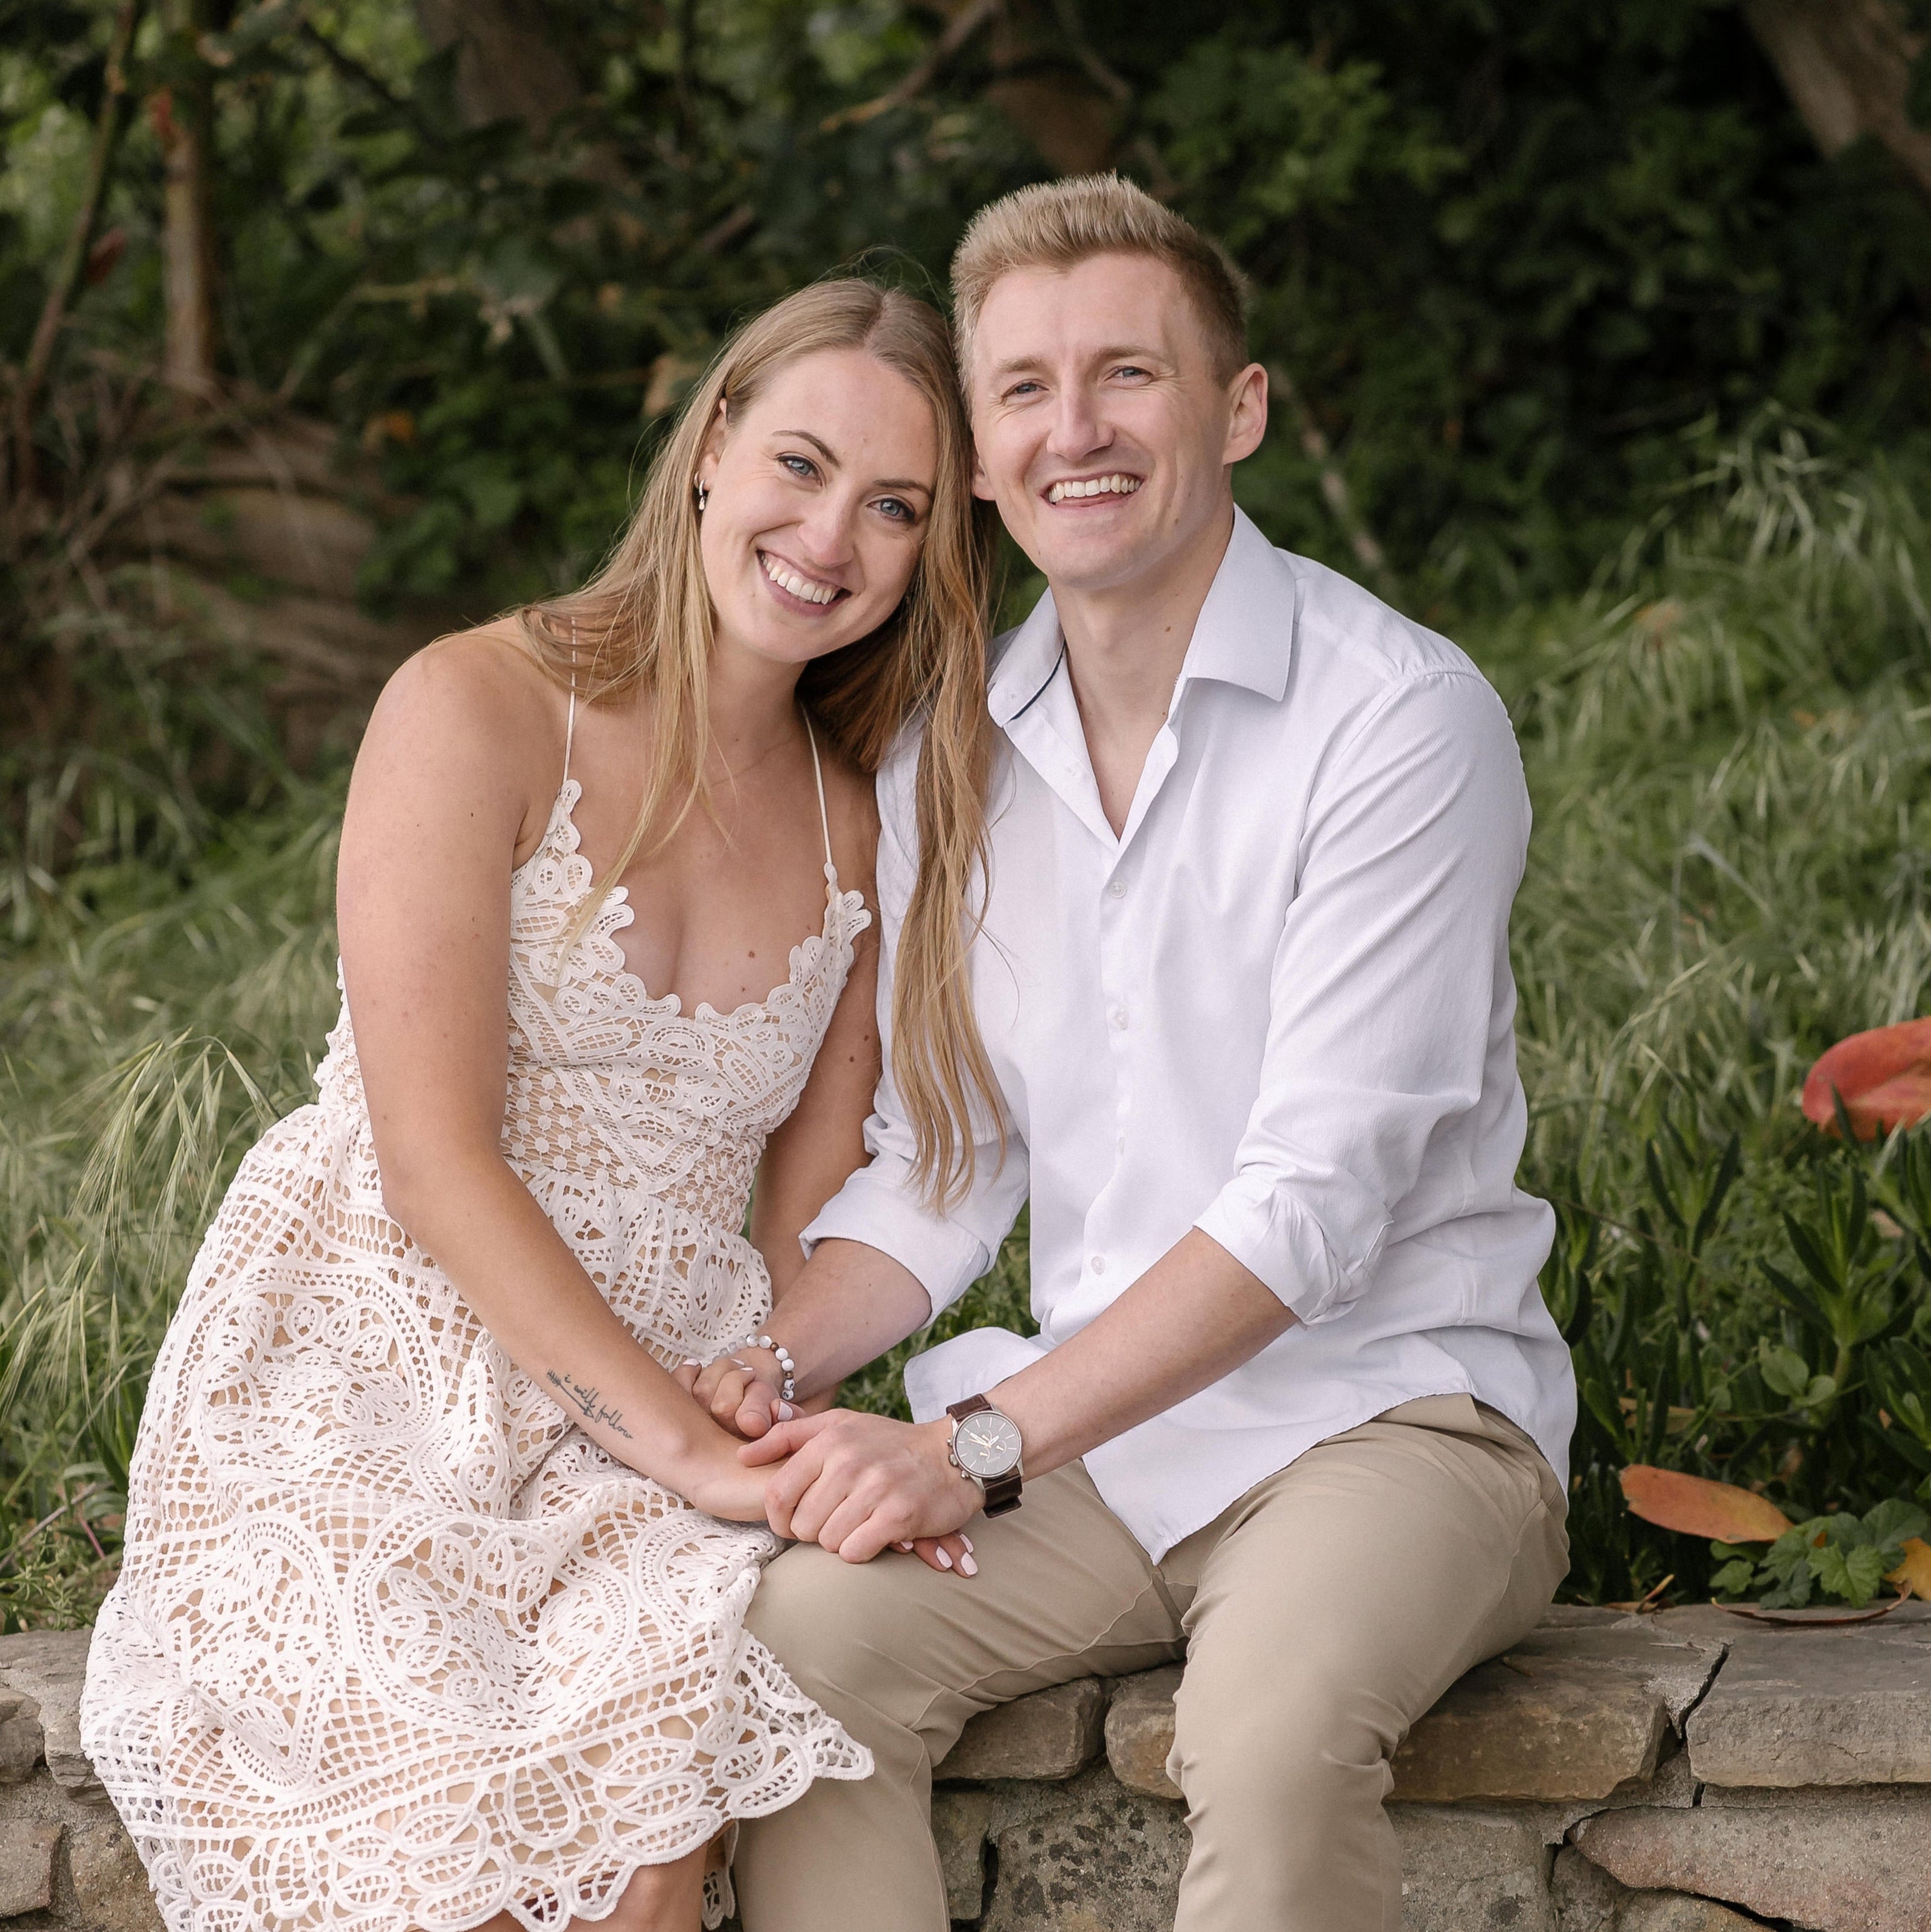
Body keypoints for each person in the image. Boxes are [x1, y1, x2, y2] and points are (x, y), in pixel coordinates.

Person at [693, 176, 1580, 1932]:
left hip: (1391, 1416)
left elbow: (1314, 1209)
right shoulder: (959, 743)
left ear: (1235, 407)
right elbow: (953, 1155)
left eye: (1128, 376)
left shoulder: (1399, 718)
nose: (1073, 432)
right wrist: (768, 1361)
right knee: (795, 1656)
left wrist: (977, 1446)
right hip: (1101, 1439)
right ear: (982, 447)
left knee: (1261, 1737)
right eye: (1021, 388)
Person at [79, 278, 1001, 1932]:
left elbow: (798, 1224)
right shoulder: (474, 705)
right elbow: (433, 1163)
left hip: (669, 1389)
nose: (828, 536)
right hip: (373, 1346)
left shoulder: (864, 823)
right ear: (711, 445)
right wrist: (696, 1458)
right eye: (798, 462)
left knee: (648, 1846)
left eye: (894, 508)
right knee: (463, 1859)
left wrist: (794, 1446)